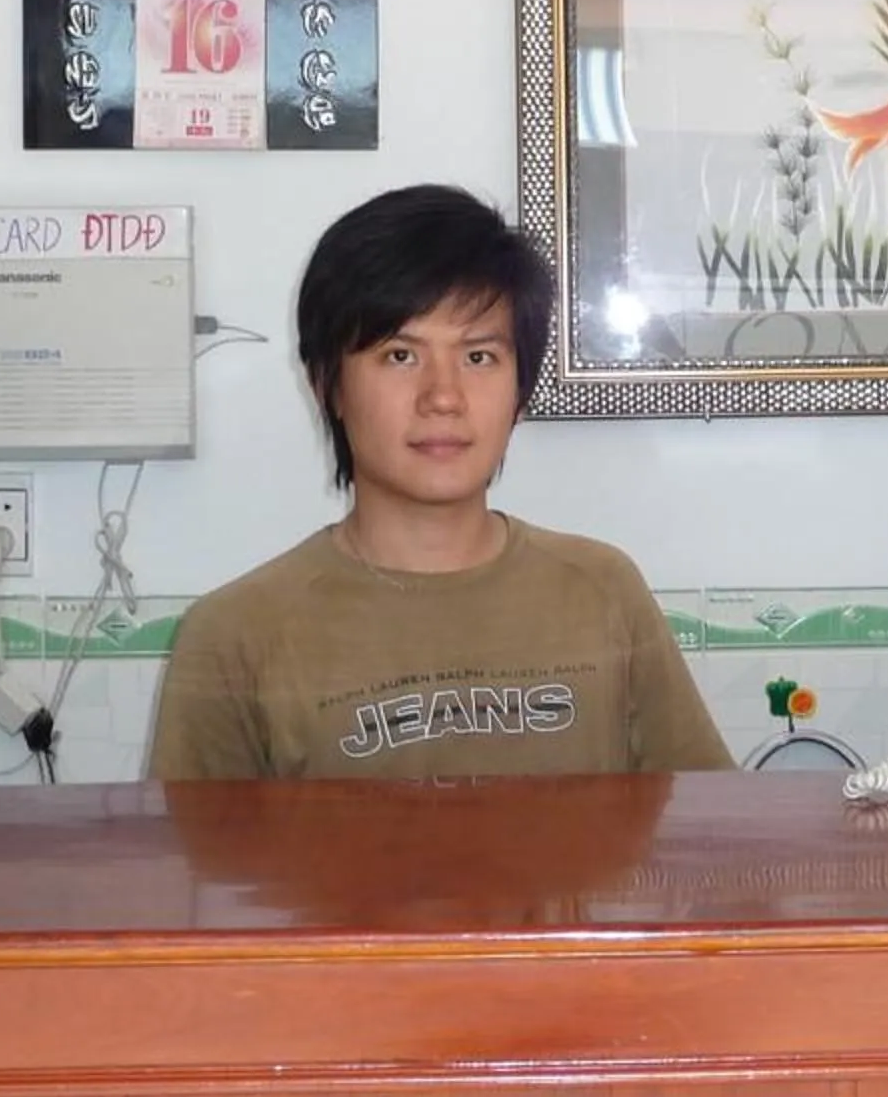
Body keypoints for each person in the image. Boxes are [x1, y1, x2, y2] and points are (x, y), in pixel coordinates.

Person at [147, 184, 734, 779]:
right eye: (401, 356)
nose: (444, 397)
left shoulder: (604, 592)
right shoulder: (234, 637)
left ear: (521, 391)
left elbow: (709, 837)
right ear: (327, 384)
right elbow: (192, 871)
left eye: (479, 358)